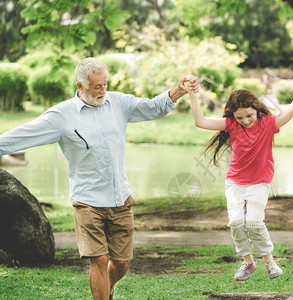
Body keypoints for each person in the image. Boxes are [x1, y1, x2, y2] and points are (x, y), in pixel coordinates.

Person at [0, 57, 199, 300]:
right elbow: (22, 135)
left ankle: (108, 285)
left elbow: (153, 107)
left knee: (121, 263)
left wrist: (178, 90)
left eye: (105, 84)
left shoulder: (119, 102)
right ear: (80, 86)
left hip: (120, 198)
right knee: (99, 258)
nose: (103, 90)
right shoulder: (61, 116)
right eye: (96, 86)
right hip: (87, 199)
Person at [182, 67, 293, 282]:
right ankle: (248, 262)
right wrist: (192, 93)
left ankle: (269, 261)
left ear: (256, 109)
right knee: (236, 222)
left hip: (259, 183)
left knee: (254, 223)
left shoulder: (267, 124)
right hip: (235, 183)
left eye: (249, 115)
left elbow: (292, 110)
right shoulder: (231, 125)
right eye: (240, 118)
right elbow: (201, 121)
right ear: (233, 116)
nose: (245, 121)